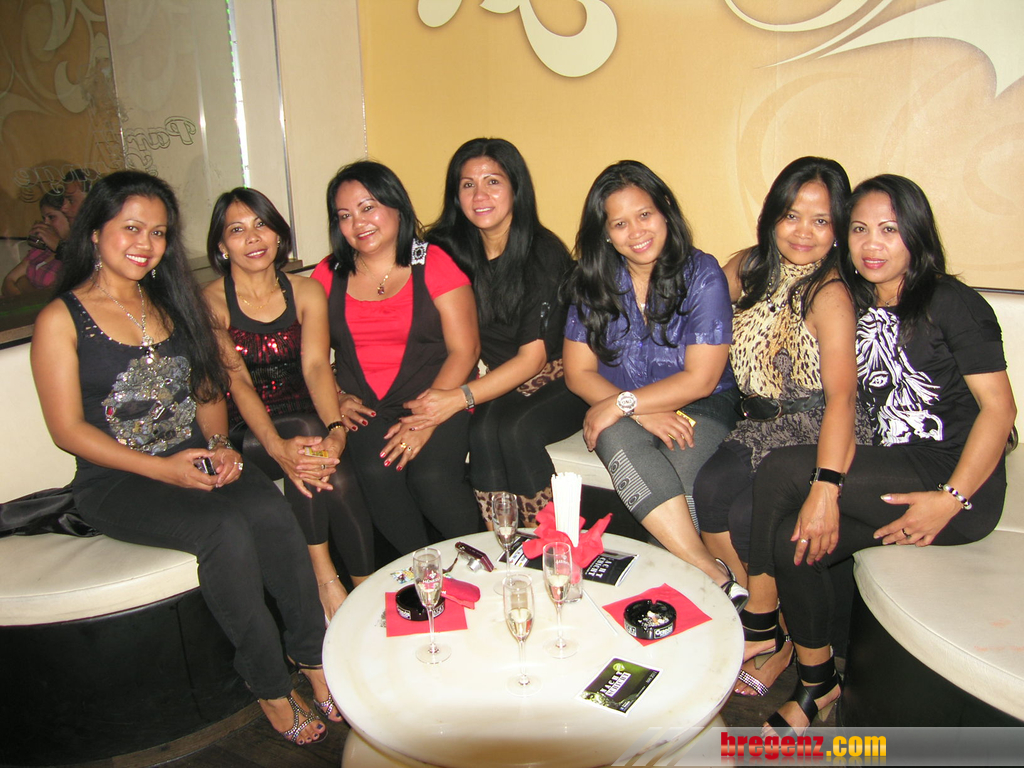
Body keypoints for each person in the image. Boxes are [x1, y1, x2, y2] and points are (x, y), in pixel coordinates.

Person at [31, 170, 341, 746]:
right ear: (95, 232)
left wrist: (221, 449)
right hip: (117, 480)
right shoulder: (62, 319)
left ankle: (314, 659)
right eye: (131, 228)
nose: (145, 243)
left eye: (157, 232)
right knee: (225, 529)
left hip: (195, 458)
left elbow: (207, 391)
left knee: (273, 514)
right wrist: (162, 468)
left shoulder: (173, 304)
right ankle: (270, 687)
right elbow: (67, 431)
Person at [746, 174, 1015, 736]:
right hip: (891, 467)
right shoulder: (856, 296)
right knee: (793, 541)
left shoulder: (950, 302)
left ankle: (758, 621)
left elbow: (1000, 411)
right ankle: (818, 682)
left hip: (954, 480)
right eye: (860, 229)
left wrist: (951, 499)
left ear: (916, 235)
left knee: (781, 470)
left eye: (889, 230)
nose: (872, 244)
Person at [691, 157, 869, 697]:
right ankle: (766, 620)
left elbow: (843, 399)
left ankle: (772, 633)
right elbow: (688, 307)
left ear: (837, 230)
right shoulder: (747, 266)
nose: (803, 232)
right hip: (759, 422)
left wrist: (827, 483)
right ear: (772, 217)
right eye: (792, 216)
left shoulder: (830, 294)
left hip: (816, 424)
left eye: (821, 220)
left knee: (748, 515)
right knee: (708, 489)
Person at [562, 160, 745, 605]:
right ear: (606, 233)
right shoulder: (592, 281)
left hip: (703, 403)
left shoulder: (702, 273)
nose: (636, 231)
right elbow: (577, 372)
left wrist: (622, 405)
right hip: (624, 404)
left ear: (665, 210)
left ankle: (669, 601)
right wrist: (636, 410)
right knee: (612, 434)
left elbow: (701, 378)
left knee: (679, 466)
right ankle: (710, 573)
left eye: (644, 214)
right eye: (619, 223)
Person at [204, 187, 374, 620]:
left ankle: (366, 592)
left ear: (278, 234)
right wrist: (278, 447)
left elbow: (316, 366)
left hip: (306, 419)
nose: (253, 237)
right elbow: (238, 383)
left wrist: (336, 431)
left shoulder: (306, 290)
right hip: (248, 433)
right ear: (222, 246)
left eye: (261, 224)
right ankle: (325, 578)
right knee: (307, 438)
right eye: (237, 230)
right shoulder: (211, 302)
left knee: (337, 470)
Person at [414, 138, 587, 525]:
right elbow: (389, 266)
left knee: (513, 430)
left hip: (561, 377)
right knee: (482, 430)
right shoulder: (445, 249)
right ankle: (503, 540)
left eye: (493, 181)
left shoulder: (542, 252)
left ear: (515, 188)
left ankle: (554, 542)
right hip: (500, 379)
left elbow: (533, 359)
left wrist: (458, 398)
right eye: (468, 184)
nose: (480, 196)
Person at [312, 161, 480, 558]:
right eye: (344, 215)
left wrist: (426, 418)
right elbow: (312, 357)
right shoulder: (328, 273)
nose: (358, 223)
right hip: (366, 406)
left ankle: (484, 564)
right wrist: (335, 395)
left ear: (396, 206)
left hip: (438, 393)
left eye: (368, 207)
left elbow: (466, 349)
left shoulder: (434, 262)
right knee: (377, 471)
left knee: (432, 478)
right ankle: (422, 571)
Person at [3, 192, 70, 296]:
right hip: (22, 304)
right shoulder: (41, 249)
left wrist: (22, 284)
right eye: (44, 218)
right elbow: (9, 280)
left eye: (51, 217)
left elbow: (54, 295)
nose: (46, 223)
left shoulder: (76, 256)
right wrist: (20, 297)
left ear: (69, 218)